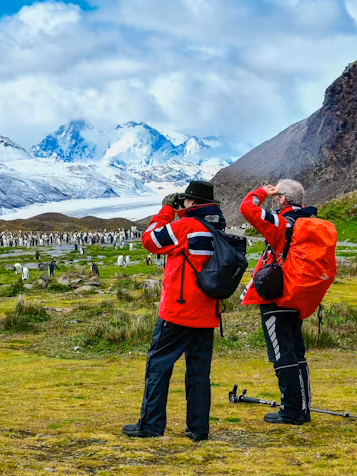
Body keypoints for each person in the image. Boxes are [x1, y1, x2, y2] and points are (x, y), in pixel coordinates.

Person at [123, 181, 225, 442]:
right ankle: (198, 428)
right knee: (199, 372)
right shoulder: (217, 228)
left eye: (186, 200)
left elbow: (151, 240)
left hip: (178, 312)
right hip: (206, 312)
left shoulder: (187, 226)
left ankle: (151, 425)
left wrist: (167, 210)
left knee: (158, 366)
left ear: (192, 203)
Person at [239, 180, 317, 425]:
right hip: (298, 294)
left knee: (281, 353)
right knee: (296, 352)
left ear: (283, 198)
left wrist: (262, 192)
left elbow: (247, 209)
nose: (274, 198)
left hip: (277, 295)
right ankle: (302, 408)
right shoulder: (305, 221)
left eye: (276, 195)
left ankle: (291, 410)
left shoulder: (283, 222)